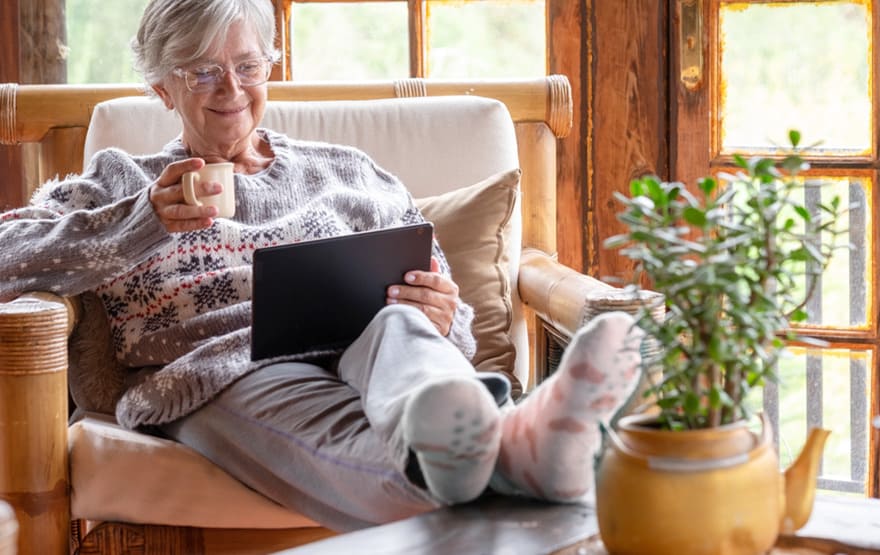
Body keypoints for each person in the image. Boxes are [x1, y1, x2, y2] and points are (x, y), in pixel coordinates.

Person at [0, 0, 643, 532]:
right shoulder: (121, 183)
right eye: (202, 73)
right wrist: (141, 220)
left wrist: (445, 316)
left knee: (403, 332)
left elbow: (449, 305)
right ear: (161, 87)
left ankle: (467, 419)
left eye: (247, 65)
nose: (232, 90)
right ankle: (524, 448)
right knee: (351, 440)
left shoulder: (349, 172)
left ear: (270, 67)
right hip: (228, 370)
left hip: (375, 346)